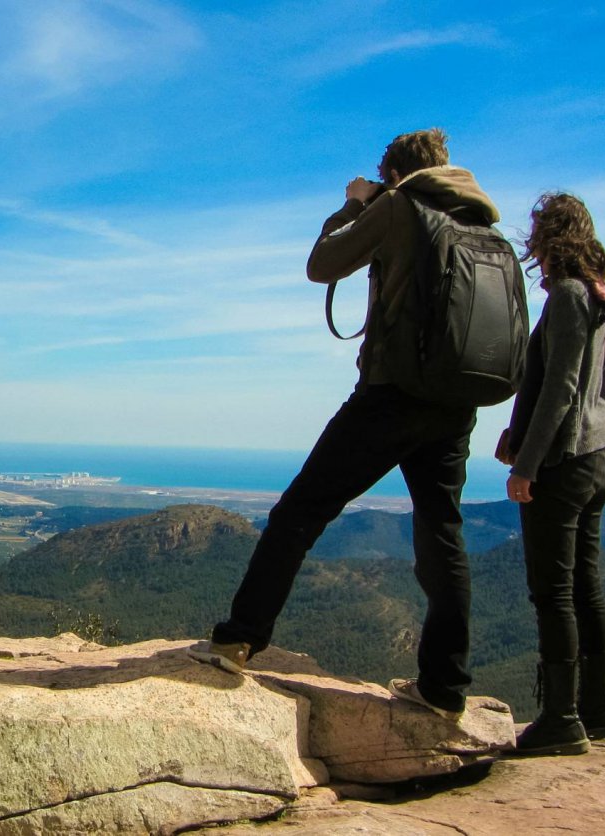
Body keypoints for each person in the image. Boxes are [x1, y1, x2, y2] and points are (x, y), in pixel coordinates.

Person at [189, 128, 504, 721]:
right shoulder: (481, 225)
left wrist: (355, 204)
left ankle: (238, 639)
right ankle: (444, 688)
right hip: (455, 401)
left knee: (299, 512)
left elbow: (322, 264)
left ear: (393, 172)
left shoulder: (398, 205)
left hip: (391, 395)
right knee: (442, 533)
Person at [497, 192, 605, 756]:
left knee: (553, 593)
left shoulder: (571, 296)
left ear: (551, 237)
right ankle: (599, 709)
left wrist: (527, 465)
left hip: (565, 463)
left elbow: (561, 388)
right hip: (599, 456)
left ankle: (561, 718)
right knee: (585, 586)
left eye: (539, 234)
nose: (535, 246)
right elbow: (602, 386)